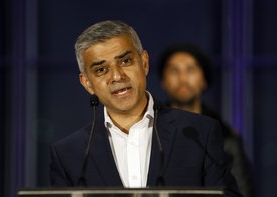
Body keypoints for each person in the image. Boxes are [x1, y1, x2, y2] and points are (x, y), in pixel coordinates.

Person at [49, 20, 242, 196]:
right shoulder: (68, 154)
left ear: (144, 63)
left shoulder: (200, 133)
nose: (117, 76)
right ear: (87, 84)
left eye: (125, 61)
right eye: (101, 70)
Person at [158, 43, 253, 197]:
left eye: (191, 70)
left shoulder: (226, 137)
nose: (182, 78)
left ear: (204, 81)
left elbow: (241, 191)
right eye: (174, 70)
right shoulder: (149, 129)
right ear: (163, 82)